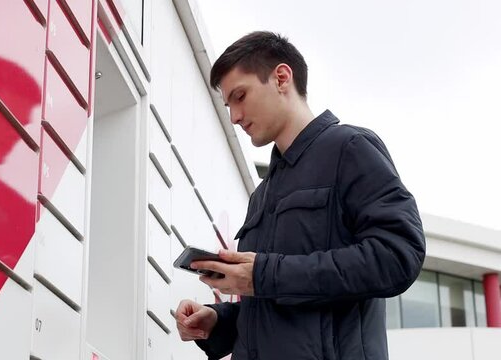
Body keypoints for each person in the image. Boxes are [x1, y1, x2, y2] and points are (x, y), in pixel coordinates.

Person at [175, 31, 426, 360]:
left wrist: (265, 275)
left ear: (281, 77)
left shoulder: (349, 149)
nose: (234, 116)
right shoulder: (261, 195)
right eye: (228, 105)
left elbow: (399, 254)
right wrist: (218, 322)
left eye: (240, 96)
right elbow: (276, 306)